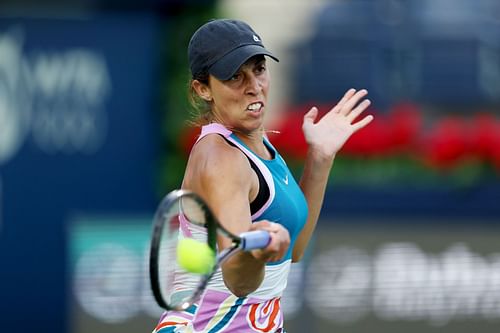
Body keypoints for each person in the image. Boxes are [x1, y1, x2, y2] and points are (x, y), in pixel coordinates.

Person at [153, 18, 373, 333]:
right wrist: (256, 253)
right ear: (203, 89)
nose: (253, 86)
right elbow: (238, 279)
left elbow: (293, 251)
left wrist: (320, 158)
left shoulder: (257, 145)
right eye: (234, 76)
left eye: (258, 69)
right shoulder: (220, 158)